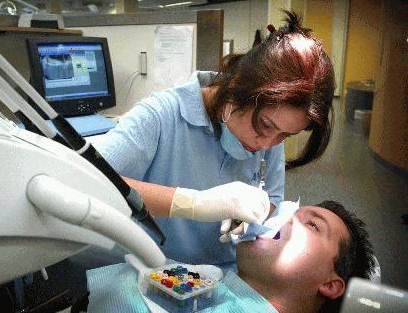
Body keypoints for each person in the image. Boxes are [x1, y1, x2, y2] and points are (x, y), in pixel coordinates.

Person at [93, 11, 335, 273]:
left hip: (224, 276)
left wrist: (250, 214)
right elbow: (89, 181)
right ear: (238, 86)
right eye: (266, 125)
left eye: (285, 136)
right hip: (153, 271)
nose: (268, 145)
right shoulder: (162, 115)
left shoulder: (271, 134)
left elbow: (273, 197)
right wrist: (194, 203)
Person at [85, 201, 375, 313]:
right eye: (290, 213)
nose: (285, 219)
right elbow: (138, 276)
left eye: (312, 225)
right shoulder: (210, 281)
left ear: (330, 284)